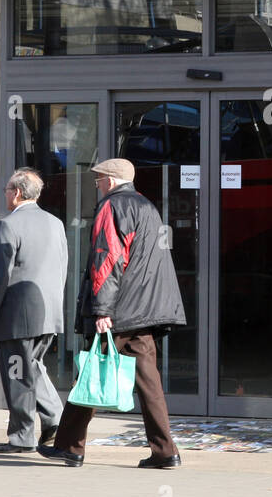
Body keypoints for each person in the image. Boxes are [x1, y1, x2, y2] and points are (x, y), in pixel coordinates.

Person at [39, 158, 187, 469]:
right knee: (150, 384)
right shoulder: (147, 207)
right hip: (144, 312)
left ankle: (69, 446)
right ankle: (165, 451)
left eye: (99, 180)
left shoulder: (113, 206)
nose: (97, 185)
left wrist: (102, 309)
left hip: (120, 312)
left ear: (111, 180)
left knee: (91, 376)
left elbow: (108, 259)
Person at [0, 168, 68, 453]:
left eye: (7, 189)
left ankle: (22, 436)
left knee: (17, 373)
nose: (5, 193)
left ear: (16, 193)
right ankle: (55, 420)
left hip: (17, 314)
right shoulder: (55, 223)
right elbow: (62, 268)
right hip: (48, 311)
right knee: (33, 367)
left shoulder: (10, 225)